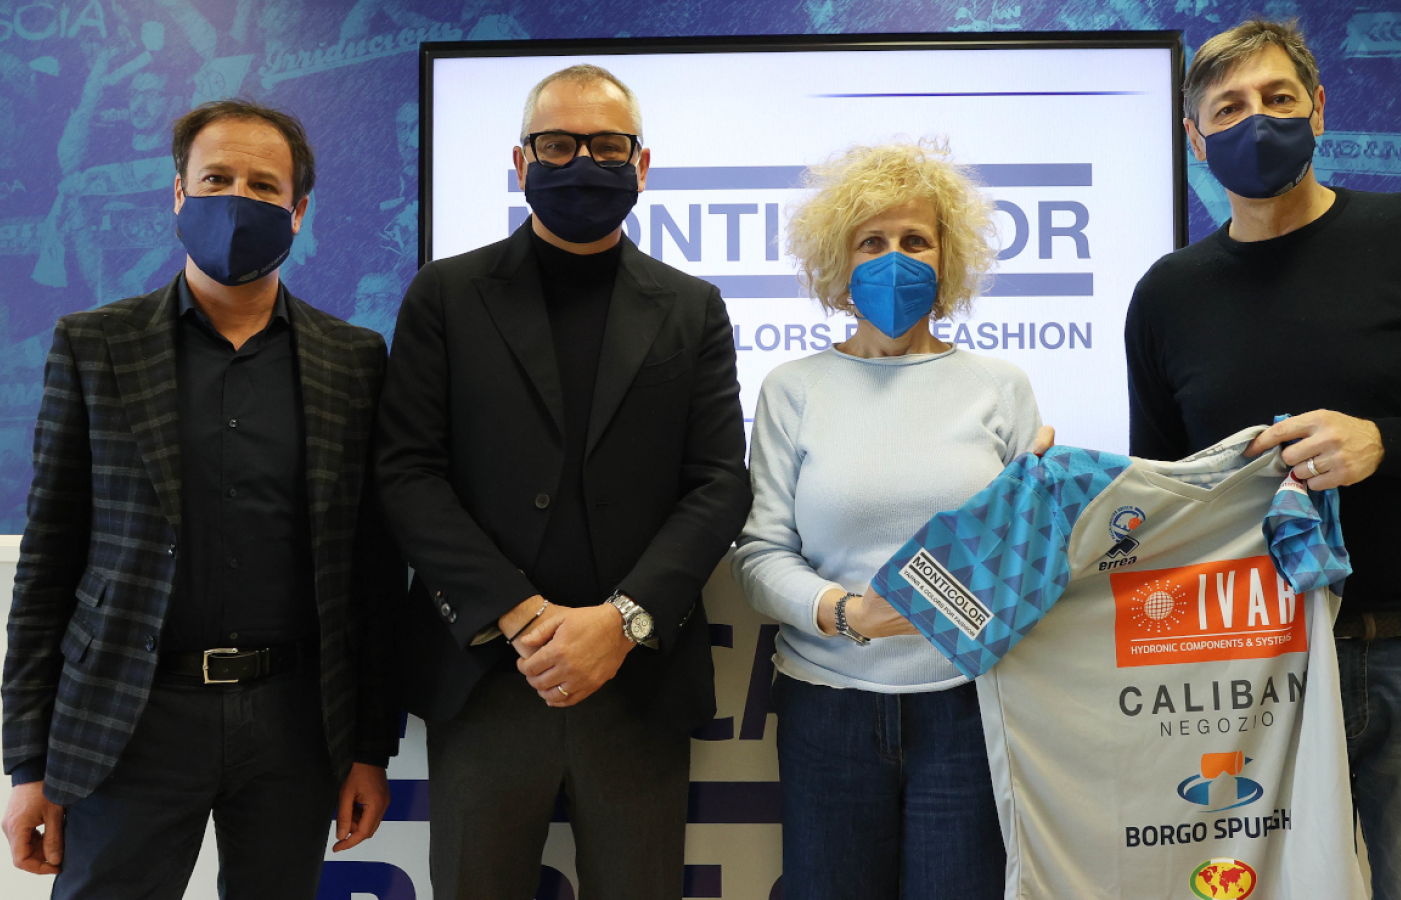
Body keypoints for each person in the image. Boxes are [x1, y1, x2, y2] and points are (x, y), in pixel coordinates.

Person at [1123, 20, 1401, 900]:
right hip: (1254, 671)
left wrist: (1385, 442)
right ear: (1194, 138)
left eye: (1278, 98)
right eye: (1229, 108)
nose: (1257, 121)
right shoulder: (1167, 297)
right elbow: (1166, 501)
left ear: (1320, 109)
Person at [1, 99, 403, 898]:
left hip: (293, 726)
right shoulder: (95, 345)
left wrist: (369, 748)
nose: (237, 200)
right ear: (179, 195)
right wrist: (27, 764)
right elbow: (48, 561)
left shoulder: (354, 361)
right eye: (216, 179)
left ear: (298, 211)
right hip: (130, 719)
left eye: (263, 185)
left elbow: (371, 572)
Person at [374, 65, 751, 900]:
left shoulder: (692, 307)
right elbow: (406, 473)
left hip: (637, 682)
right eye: (557, 144)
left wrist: (621, 622)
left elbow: (720, 484)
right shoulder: (446, 294)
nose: (582, 162)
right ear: (521, 163)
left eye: (607, 146)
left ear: (641, 165)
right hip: (486, 678)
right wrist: (523, 616)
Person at [732, 141, 1051, 900]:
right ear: (837, 263)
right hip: (827, 710)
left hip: (970, 710)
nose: (895, 260)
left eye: (916, 240)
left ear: (949, 258)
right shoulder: (792, 389)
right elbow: (759, 554)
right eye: (871, 242)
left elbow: (1026, 560)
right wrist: (848, 613)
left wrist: (1043, 506)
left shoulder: (1000, 387)